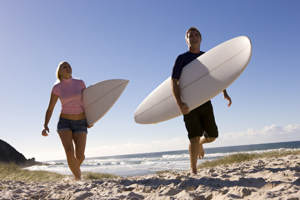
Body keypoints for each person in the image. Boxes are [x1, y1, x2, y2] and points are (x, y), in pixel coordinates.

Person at [171, 27, 232, 174]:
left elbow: (217, 77)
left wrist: (224, 92)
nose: (194, 37)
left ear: (201, 38)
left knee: (212, 136)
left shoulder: (207, 57)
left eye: (196, 35)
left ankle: (200, 144)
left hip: (205, 101)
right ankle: (193, 170)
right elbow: (174, 82)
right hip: (189, 104)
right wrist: (180, 104)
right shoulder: (182, 59)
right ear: (187, 40)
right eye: (190, 36)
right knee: (194, 137)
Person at [42, 61, 92, 181]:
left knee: (80, 156)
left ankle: (76, 171)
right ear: (60, 71)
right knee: (69, 152)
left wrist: (91, 119)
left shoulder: (80, 83)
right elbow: (50, 108)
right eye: (65, 67)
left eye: (69, 66)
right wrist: (45, 125)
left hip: (81, 122)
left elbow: (88, 103)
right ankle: (77, 179)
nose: (68, 68)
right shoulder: (57, 88)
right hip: (64, 123)